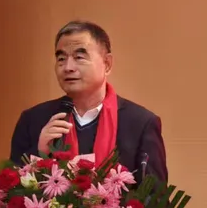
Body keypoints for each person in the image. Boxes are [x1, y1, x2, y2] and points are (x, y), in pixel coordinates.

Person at [9, 20, 168, 184]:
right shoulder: (33, 120)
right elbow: (9, 189)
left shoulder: (140, 124)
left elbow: (155, 195)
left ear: (107, 64)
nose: (68, 67)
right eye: (61, 58)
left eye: (79, 57)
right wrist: (39, 152)